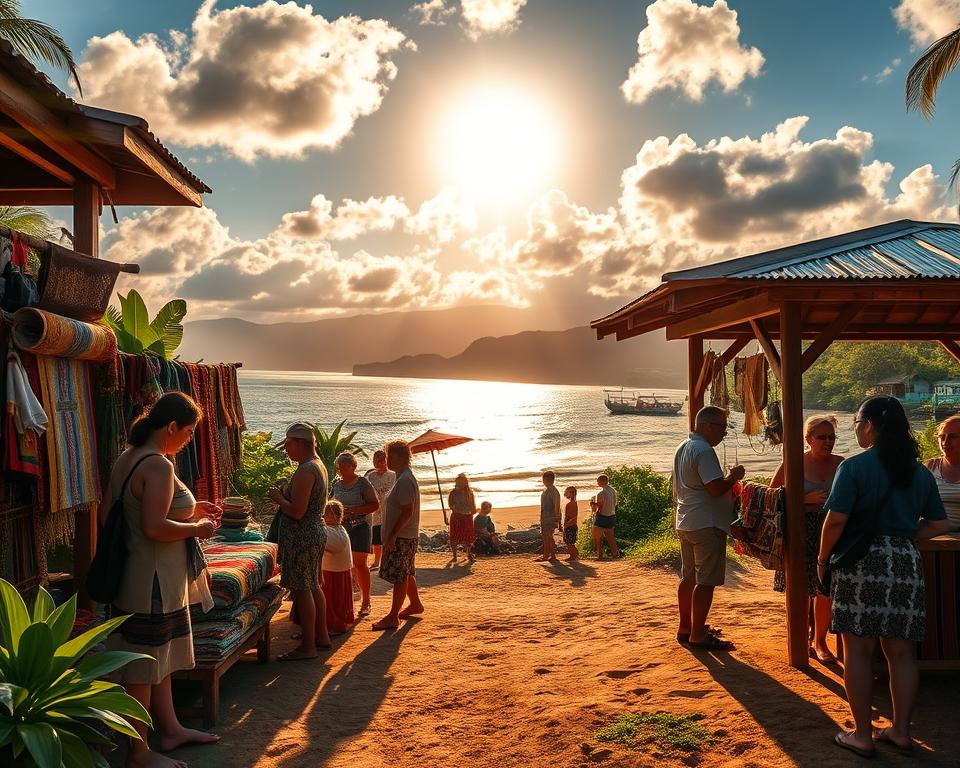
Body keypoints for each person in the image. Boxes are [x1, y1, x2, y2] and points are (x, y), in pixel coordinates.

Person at [818, 396, 948, 758]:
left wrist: (822, 559)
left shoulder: (855, 467)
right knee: (901, 652)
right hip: (905, 563)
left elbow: (837, 520)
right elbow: (938, 524)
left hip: (860, 561)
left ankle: (861, 734)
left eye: (857, 421)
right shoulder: (919, 471)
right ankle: (902, 733)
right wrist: (903, 539)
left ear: (871, 424)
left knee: (857, 649)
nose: (856, 428)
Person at [103, 392, 221, 768]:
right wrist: (197, 528)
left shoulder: (129, 456)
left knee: (159, 662)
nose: (189, 439)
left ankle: (169, 728)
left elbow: (116, 514)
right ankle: (138, 752)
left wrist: (189, 512)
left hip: (140, 575)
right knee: (142, 669)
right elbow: (154, 527)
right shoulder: (158, 465)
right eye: (188, 432)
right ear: (171, 427)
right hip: (151, 581)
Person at [770, 415, 844, 664]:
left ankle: (820, 641)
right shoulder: (794, 462)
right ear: (808, 439)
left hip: (831, 529)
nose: (828, 442)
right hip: (801, 530)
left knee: (826, 589)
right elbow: (771, 495)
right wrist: (803, 499)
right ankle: (801, 637)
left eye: (831, 437)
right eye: (822, 437)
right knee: (801, 588)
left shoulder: (840, 464)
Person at [673, 406, 745, 651]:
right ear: (706, 426)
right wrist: (734, 477)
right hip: (707, 523)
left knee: (689, 577)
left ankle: (687, 627)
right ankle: (697, 635)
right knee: (705, 582)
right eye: (721, 427)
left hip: (687, 520)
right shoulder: (703, 450)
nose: (724, 433)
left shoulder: (684, 446)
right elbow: (714, 488)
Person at [268, 422, 332, 660]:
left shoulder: (306, 470)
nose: (286, 450)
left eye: (288, 445)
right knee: (313, 585)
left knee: (303, 588)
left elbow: (297, 511)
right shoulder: (318, 466)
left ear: (300, 444)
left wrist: (278, 498)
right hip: (314, 532)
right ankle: (321, 636)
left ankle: (308, 647)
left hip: (303, 536)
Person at [373, 440, 424, 630]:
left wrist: (393, 535)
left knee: (400, 576)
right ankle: (415, 604)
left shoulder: (405, 480)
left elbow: (407, 511)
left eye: (388, 456)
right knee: (407, 571)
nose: (386, 460)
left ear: (397, 457)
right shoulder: (402, 477)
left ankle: (393, 616)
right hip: (403, 535)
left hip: (403, 536)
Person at [330, 452, 379, 617]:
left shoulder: (362, 483)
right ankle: (347, 600)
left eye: (345, 465)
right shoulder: (336, 484)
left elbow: (374, 505)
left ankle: (366, 601)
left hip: (360, 526)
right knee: (345, 565)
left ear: (353, 466)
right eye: (339, 466)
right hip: (341, 528)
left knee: (360, 564)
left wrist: (354, 511)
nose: (341, 469)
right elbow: (331, 504)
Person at [321, 500, 355, 634]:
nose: (324, 516)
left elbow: (334, 545)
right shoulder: (334, 529)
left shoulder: (336, 532)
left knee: (334, 599)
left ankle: (334, 624)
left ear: (336, 516)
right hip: (332, 569)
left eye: (328, 514)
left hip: (334, 571)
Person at [923, 415, 960, 531]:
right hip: (933, 541)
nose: (945, 442)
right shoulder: (929, 467)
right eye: (941, 437)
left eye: (952, 437)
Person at [365, 449, 396, 570]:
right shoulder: (370, 476)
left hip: (388, 509)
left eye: (380, 461)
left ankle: (386, 561)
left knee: (388, 537)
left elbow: (393, 491)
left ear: (386, 461)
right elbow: (366, 491)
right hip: (374, 511)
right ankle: (377, 561)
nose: (377, 463)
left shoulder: (392, 475)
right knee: (376, 537)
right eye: (375, 461)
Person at [448, 472, 478, 563]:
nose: (459, 484)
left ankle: (469, 554)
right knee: (454, 536)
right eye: (458, 482)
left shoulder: (469, 492)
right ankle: (455, 556)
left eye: (461, 482)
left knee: (468, 537)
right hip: (457, 516)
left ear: (465, 483)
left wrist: (473, 511)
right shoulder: (453, 493)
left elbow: (472, 504)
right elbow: (450, 504)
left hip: (467, 516)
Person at [534, 470, 562, 562]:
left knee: (548, 536)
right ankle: (551, 555)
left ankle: (546, 555)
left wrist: (557, 518)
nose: (543, 481)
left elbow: (557, 505)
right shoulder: (547, 490)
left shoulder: (554, 491)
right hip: (545, 516)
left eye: (544, 480)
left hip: (550, 517)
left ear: (550, 480)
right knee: (547, 536)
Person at [590, 474, 619, 559]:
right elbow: (615, 503)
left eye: (598, 481)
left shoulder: (601, 493)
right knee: (611, 537)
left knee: (596, 536)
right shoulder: (613, 490)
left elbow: (600, 506)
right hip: (612, 515)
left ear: (603, 482)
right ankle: (615, 554)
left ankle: (599, 555)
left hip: (603, 516)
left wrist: (593, 503)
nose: (597, 483)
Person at [563, 486, 580, 562]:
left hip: (570, 524)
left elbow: (571, 516)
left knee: (569, 542)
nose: (565, 493)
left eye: (567, 492)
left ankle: (574, 555)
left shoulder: (570, 504)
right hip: (572, 524)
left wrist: (566, 525)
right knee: (569, 541)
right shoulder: (574, 503)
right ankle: (574, 555)